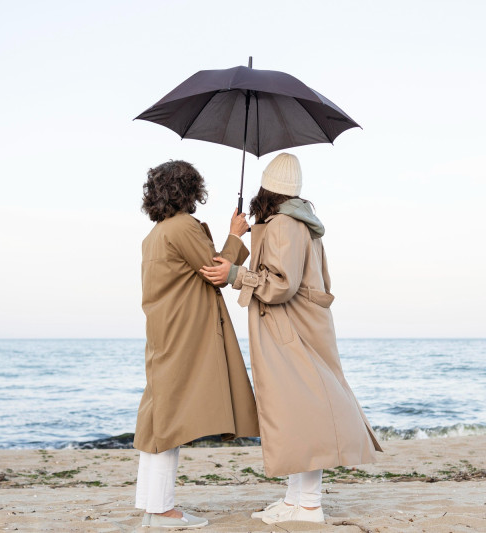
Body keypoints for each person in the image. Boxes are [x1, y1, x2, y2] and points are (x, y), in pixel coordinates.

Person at [201, 153, 382, 525]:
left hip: (291, 329)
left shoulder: (284, 224)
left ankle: (310, 505)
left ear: (266, 188)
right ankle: (295, 499)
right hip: (298, 327)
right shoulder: (295, 223)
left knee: (305, 413)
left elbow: (282, 285)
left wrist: (236, 274)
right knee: (297, 413)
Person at [134, 160, 259, 529]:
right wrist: (236, 234)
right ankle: (161, 511)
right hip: (184, 333)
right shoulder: (182, 227)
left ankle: (153, 505)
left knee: (161, 418)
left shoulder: (156, 233)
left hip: (165, 333)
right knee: (167, 423)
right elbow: (215, 271)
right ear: (190, 190)